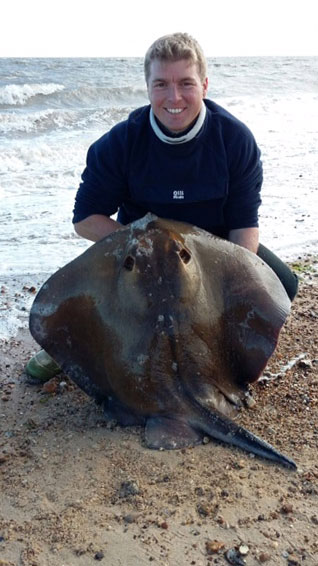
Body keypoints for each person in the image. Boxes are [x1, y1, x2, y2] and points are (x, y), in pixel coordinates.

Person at [26, 32, 298, 380]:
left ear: (205, 84)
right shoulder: (120, 143)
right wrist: (146, 246)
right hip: (139, 254)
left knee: (281, 285)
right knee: (101, 298)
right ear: (147, 87)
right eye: (161, 84)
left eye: (186, 83)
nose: (174, 97)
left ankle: (217, 342)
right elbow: (85, 220)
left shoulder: (235, 141)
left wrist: (228, 284)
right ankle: (77, 343)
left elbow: (245, 225)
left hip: (213, 249)